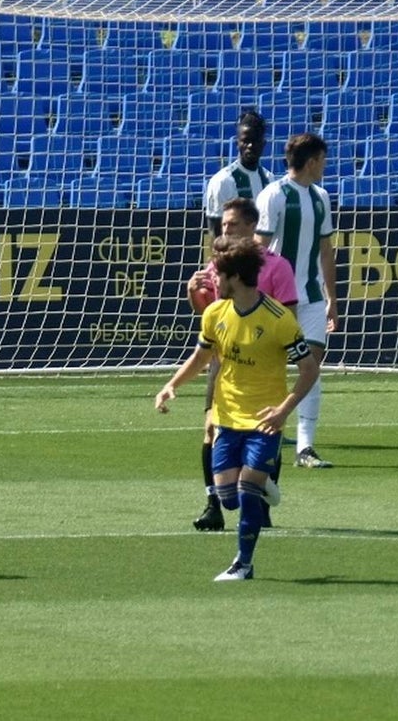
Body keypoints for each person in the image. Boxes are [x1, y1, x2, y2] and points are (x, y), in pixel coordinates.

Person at [156, 236, 319, 582]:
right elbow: (201, 357)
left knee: (246, 493)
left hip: (265, 420)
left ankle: (243, 563)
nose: (211, 279)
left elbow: (309, 369)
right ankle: (263, 487)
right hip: (227, 416)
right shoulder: (215, 313)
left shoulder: (279, 319)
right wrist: (172, 385)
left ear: (234, 277)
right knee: (227, 497)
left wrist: (284, 409)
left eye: (217, 273)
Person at [186, 197, 298, 532]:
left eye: (233, 224)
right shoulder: (215, 264)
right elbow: (207, 313)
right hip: (223, 363)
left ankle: (260, 505)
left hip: (262, 367)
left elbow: (288, 319)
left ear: (252, 226)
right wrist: (194, 293)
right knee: (210, 430)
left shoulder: (276, 266)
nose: (226, 229)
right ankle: (214, 505)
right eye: (223, 224)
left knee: (264, 429)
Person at [255, 132, 338, 469]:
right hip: (277, 299)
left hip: (313, 296)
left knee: (311, 366)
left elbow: (326, 250)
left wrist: (333, 298)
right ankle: (263, 434)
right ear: (312, 161)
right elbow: (260, 249)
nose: (325, 166)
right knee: (270, 367)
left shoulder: (321, 197)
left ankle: (305, 447)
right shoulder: (273, 195)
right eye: (323, 160)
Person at [203, 109, 274, 237]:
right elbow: (215, 231)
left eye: (255, 141)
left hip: (262, 255)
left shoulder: (270, 180)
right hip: (235, 255)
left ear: (263, 144)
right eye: (246, 141)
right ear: (237, 144)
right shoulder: (222, 181)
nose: (250, 146)